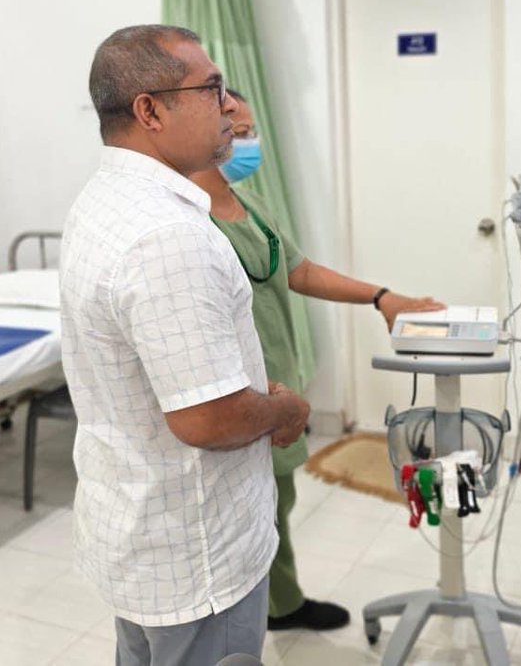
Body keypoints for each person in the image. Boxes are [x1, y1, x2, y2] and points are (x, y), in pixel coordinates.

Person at [60, 25, 311, 666]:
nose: (229, 106)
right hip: (197, 560)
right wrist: (282, 410)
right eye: (213, 89)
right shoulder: (166, 235)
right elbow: (208, 419)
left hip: (142, 536)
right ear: (150, 110)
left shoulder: (105, 202)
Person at [189, 89, 444, 632]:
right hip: (236, 398)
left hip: (276, 388)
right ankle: (257, 614)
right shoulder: (188, 221)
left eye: (252, 132)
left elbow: (298, 270)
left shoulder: (250, 205)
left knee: (277, 504)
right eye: (239, 131)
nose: (248, 143)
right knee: (247, 518)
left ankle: (281, 605)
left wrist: (382, 297)